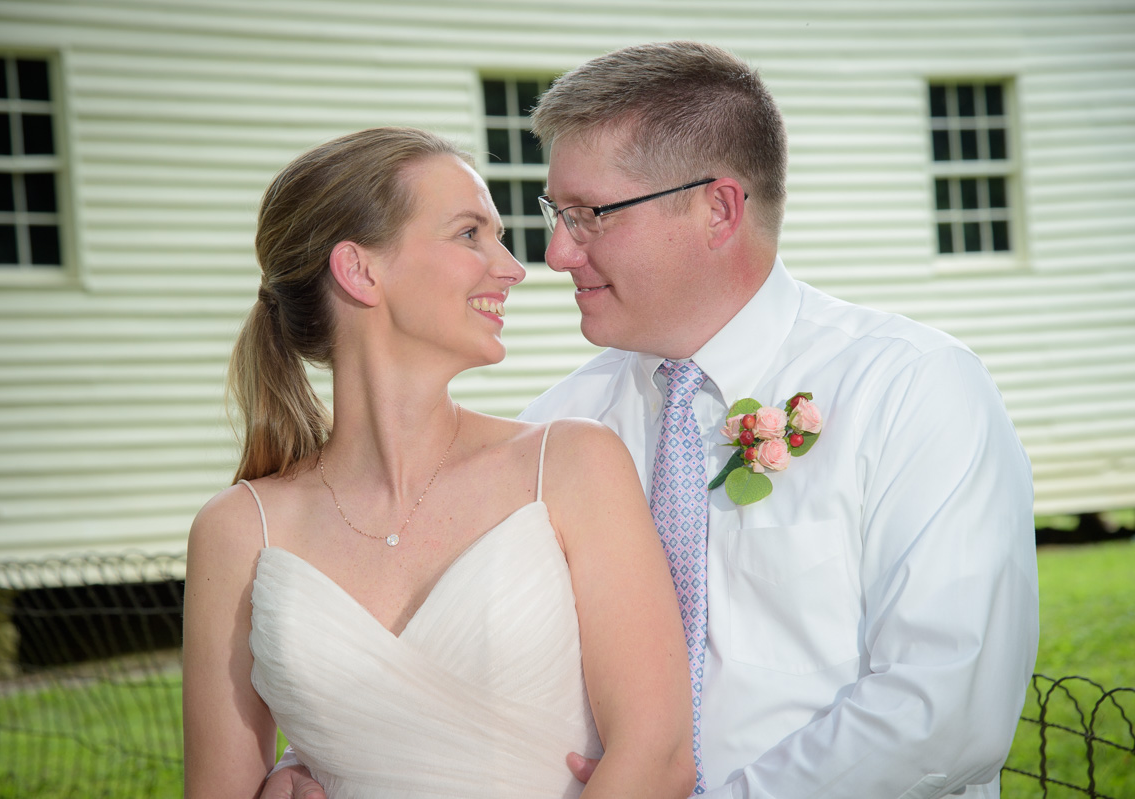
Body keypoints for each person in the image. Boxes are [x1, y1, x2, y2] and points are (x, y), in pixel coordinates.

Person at [264, 41, 1039, 799]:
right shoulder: (555, 431)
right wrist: (322, 755)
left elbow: (948, 705)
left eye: (590, 214)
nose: (557, 253)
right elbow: (432, 627)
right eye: (554, 213)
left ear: (718, 208)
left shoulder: (912, 389)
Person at [181, 126, 696, 799]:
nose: (512, 267)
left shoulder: (570, 464)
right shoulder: (238, 528)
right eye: (469, 234)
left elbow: (658, 758)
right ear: (361, 270)